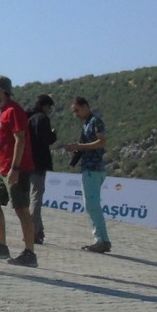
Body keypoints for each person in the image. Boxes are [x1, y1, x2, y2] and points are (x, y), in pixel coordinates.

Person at [0, 75, 38, 267]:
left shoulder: (14, 110)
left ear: (1, 92)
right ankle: (1, 246)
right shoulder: (3, 110)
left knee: (21, 209)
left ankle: (30, 252)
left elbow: (20, 139)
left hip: (16, 169)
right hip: (4, 169)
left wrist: (15, 168)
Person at [65, 96, 111, 253]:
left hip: (94, 168)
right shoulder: (86, 124)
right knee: (91, 204)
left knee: (92, 205)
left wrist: (81, 146)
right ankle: (101, 238)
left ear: (85, 106)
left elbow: (102, 141)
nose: (76, 114)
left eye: (77, 110)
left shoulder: (95, 121)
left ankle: (101, 240)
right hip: (88, 167)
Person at [27, 94, 57, 244]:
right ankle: (33, 232)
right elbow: (46, 139)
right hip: (39, 162)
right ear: (45, 106)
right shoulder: (42, 118)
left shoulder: (28, 118)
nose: (49, 110)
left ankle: (38, 230)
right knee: (36, 198)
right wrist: (53, 135)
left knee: (32, 196)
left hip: (27, 161)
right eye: (49, 107)